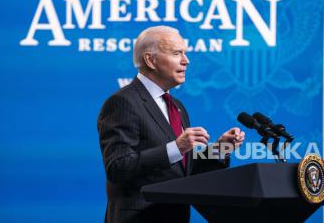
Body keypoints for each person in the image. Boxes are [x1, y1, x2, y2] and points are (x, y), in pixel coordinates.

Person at [97, 26, 245, 223]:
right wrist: (177, 146)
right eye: (177, 53)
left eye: (185, 53)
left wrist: (219, 149)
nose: (186, 60)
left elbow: (183, 168)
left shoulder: (176, 106)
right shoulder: (123, 102)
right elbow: (118, 168)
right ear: (151, 60)